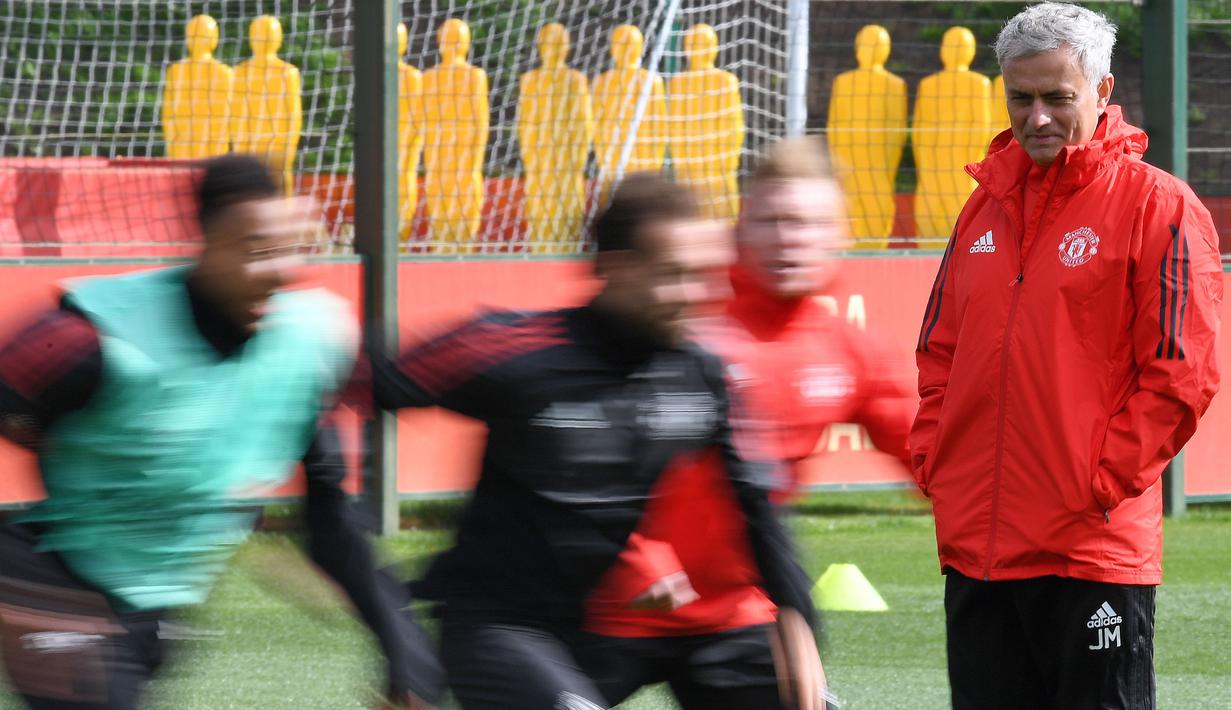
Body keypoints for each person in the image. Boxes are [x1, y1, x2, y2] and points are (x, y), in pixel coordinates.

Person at [0, 154, 443, 709]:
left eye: (287, 250)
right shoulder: (87, 338)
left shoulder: (310, 345)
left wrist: (404, 654)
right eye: (254, 251)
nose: (277, 271)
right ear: (206, 241)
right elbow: (16, 411)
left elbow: (332, 518)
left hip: (160, 603)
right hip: (48, 574)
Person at [366, 173, 822, 710]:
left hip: (612, 619)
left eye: (707, 275)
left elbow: (755, 509)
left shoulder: (703, 377)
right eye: (675, 274)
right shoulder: (515, 350)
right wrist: (344, 548)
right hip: (502, 626)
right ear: (615, 266)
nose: (699, 294)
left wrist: (798, 620)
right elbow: (366, 381)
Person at [910, 5, 1221, 709]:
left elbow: (1181, 374)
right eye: (1020, 98)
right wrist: (938, 457)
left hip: (1089, 548)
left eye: (1058, 97)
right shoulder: (981, 208)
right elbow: (938, 349)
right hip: (979, 543)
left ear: (1102, 91)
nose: (1037, 117)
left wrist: (1097, 481)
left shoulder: (1159, 207)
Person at [582, 137, 915, 709]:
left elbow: (936, 461)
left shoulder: (849, 350)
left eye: (808, 223)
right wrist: (641, 557)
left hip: (735, 613)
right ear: (740, 225)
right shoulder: (683, 310)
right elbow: (582, 449)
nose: (790, 238)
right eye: (772, 220)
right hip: (609, 597)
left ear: (842, 233)